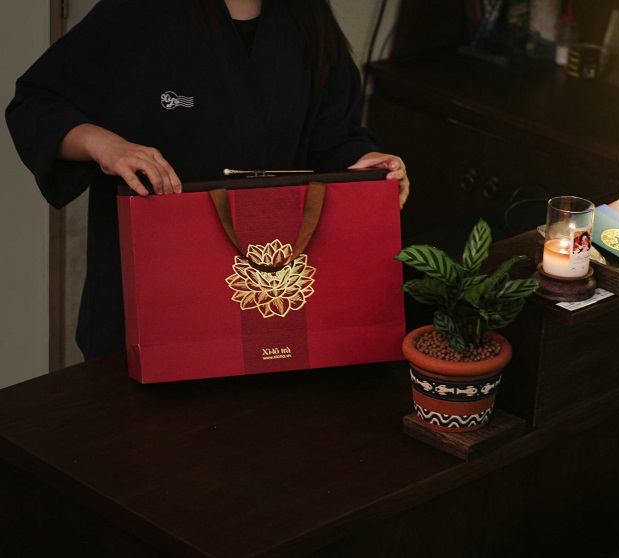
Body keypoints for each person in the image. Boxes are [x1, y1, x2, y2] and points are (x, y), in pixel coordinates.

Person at [6, 0, 410, 360]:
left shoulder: (307, 16)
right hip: (157, 291)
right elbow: (35, 104)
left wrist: (368, 164)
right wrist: (104, 144)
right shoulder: (138, 11)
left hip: (272, 294)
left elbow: (334, 138)